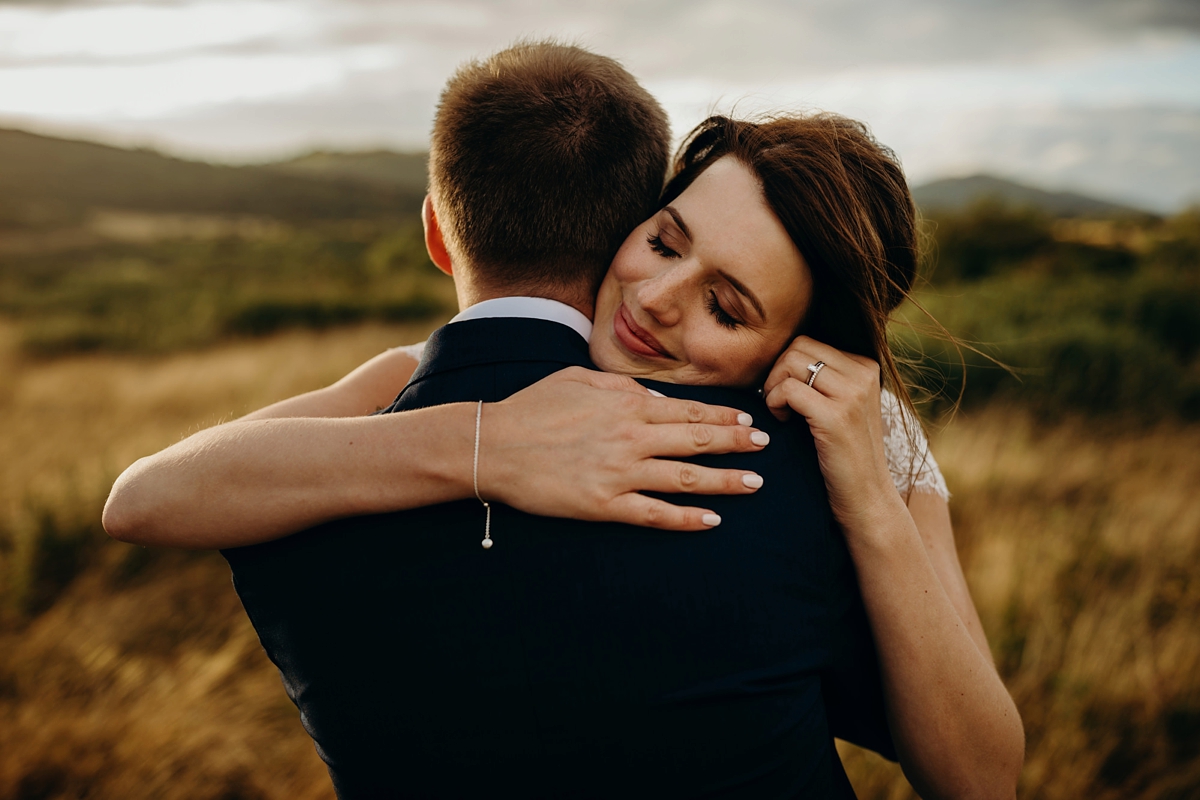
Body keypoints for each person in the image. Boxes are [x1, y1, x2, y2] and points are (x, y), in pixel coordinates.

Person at [105, 43, 1023, 799]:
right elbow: (144, 497)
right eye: (665, 240)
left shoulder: (858, 461)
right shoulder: (405, 390)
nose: (658, 299)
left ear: (796, 354)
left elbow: (980, 781)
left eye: (727, 308)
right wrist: (483, 443)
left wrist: (871, 501)